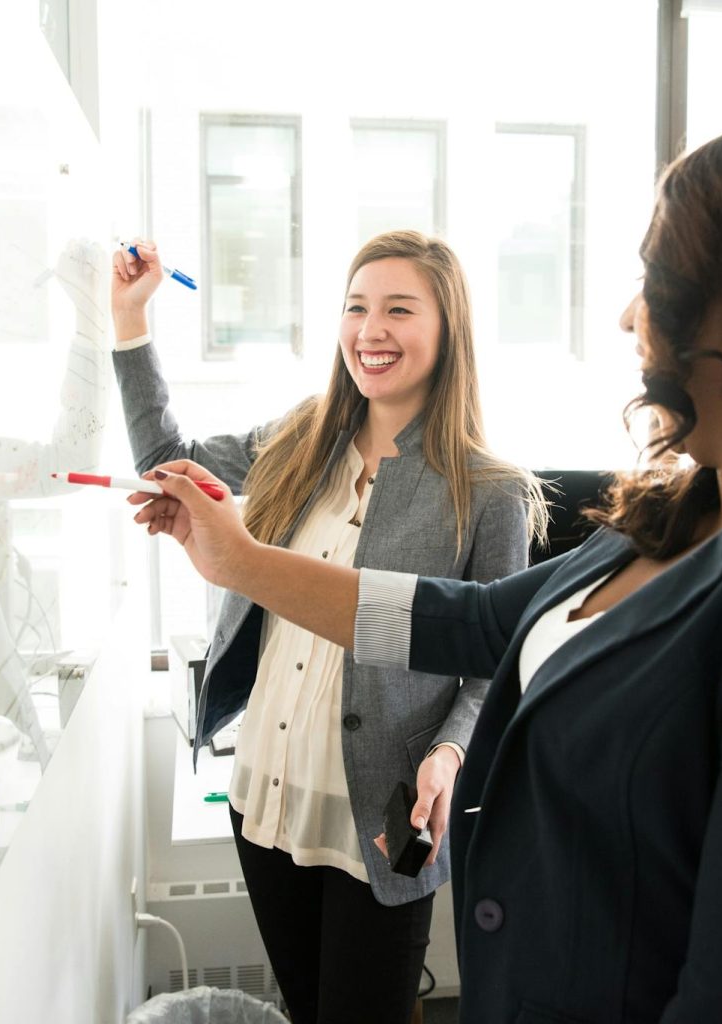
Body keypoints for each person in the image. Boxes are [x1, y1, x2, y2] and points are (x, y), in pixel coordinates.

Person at [127, 117, 722, 1024]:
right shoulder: (667, 518)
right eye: (356, 306)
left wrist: (445, 749)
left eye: (655, 279)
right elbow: (472, 621)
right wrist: (244, 561)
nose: (626, 315)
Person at [110, 230, 547, 1024]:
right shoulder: (301, 438)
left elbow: (497, 659)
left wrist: (450, 754)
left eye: (398, 310)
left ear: (448, 329)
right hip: (267, 793)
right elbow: (167, 459)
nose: (369, 331)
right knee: (309, 1007)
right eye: (356, 308)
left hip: (383, 813)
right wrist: (130, 321)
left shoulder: (490, 491)